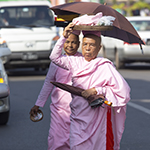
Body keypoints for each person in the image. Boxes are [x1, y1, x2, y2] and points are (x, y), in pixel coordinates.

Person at [50, 22, 131, 150]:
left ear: (99, 48)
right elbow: (54, 57)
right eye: (85, 44)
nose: (87, 48)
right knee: (76, 146)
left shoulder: (105, 66)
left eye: (92, 45)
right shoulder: (74, 61)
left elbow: (124, 92)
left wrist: (97, 90)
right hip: (77, 118)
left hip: (97, 120)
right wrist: (63, 37)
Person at [30, 32, 81, 150]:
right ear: (62, 43)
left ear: (79, 44)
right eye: (67, 42)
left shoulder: (83, 60)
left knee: (76, 139)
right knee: (56, 138)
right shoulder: (57, 61)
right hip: (59, 109)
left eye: (74, 42)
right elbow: (48, 83)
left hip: (79, 108)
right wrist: (38, 104)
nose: (70, 45)